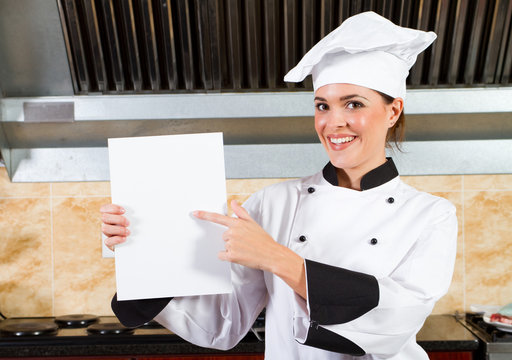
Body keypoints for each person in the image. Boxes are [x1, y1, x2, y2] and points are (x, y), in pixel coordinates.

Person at [101, 11, 457, 360]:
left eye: (353, 104)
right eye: (322, 106)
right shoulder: (272, 203)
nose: (334, 123)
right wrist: (141, 250)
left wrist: (277, 257)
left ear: (393, 111)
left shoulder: (430, 214)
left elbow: (396, 319)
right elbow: (222, 324)